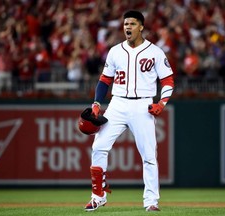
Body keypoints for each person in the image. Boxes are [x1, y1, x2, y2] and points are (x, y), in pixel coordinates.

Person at [84, 10, 174, 212]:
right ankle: (98, 196)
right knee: (98, 147)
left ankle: (151, 201)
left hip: (143, 105)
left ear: (141, 26)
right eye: (126, 24)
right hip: (117, 104)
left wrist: (162, 103)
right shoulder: (115, 51)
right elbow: (105, 80)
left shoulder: (155, 52)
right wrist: (97, 104)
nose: (127, 27)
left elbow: (168, 80)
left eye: (132, 24)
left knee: (149, 155)